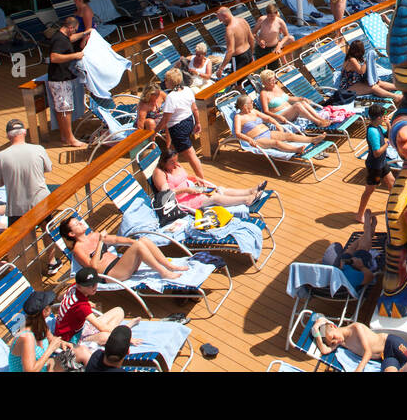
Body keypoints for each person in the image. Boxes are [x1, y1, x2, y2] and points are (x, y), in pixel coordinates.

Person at [58, 216, 188, 283]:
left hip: (121, 264)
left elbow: (115, 240)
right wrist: (101, 243)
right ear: (71, 234)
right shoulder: (78, 250)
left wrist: (132, 241)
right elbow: (92, 268)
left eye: (79, 221)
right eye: (76, 224)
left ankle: (169, 266)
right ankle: (163, 272)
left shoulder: (94, 235)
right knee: (138, 246)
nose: (81, 223)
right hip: (112, 275)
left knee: (142, 240)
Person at [152, 146, 267, 210]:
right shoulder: (160, 173)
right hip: (182, 201)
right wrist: (186, 190)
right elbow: (166, 194)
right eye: (172, 162)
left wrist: (196, 179)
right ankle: (246, 200)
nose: (175, 164)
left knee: (220, 189)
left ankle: (250, 191)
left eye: (176, 160)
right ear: (163, 162)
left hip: (193, 190)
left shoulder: (175, 165)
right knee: (215, 197)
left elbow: (184, 177)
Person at [0, 119, 52, 227]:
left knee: (23, 240)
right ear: (24, 132)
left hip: (17, 206)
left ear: (8, 136)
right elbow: (48, 169)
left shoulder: (1, 156)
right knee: (48, 231)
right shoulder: (39, 149)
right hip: (41, 200)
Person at [52, 267, 139, 345]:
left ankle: (123, 329)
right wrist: (128, 339)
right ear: (79, 287)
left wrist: (85, 303)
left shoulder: (73, 287)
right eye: (90, 285)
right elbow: (101, 328)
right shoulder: (81, 306)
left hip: (75, 329)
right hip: (71, 340)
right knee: (106, 336)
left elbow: (60, 297)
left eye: (95, 283)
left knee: (119, 311)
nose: (94, 287)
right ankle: (125, 330)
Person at [231, 93, 326, 155]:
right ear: (245, 106)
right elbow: (237, 133)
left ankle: (313, 139)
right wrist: (248, 139)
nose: (253, 103)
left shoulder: (253, 111)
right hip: (257, 139)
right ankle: (296, 150)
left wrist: (277, 124)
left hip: (268, 132)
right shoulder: (238, 117)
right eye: (251, 102)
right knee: (276, 143)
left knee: (289, 135)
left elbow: (267, 118)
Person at [8, 290, 78, 372]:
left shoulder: (41, 324)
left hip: (44, 367)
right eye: (50, 304)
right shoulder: (27, 337)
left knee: (79, 353)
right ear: (44, 311)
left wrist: (63, 343)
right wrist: (50, 349)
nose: (52, 306)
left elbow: (51, 338)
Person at [312, 316, 407, 372]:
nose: (335, 341)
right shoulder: (341, 342)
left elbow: (368, 352)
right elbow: (324, 350)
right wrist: (315, 329)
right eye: (332, 342)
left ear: (333, 326)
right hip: (385, 358)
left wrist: (359, 369)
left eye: (334, 337)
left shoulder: (355, 328)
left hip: (391, 344)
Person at [155, 67, 204, 180]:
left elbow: (165, 120)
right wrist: (197, 123)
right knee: (172, 150)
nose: (165, 82)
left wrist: (154, 132)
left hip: (178, 128)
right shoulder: (187, 90)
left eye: (166, 80)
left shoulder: (171, 97)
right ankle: (170, 173)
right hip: (188, 122)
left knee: (191, 156)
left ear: (170, 82)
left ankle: (202, 180)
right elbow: (194, 109)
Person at [48, 16, 89, 147]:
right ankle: (70, 139)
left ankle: (65, 136)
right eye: (74, 29)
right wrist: (75, 55)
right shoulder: (59, 39)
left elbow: (70, 39)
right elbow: (54, 57)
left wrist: (85, 33)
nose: (74, 32)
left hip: (61, 78)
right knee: (66, 110)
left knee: (62, 109)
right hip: (60, 80)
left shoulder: (62, 36)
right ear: (70, 27)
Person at [357, 104, 395, 223]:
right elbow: (377, 152)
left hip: (382, 163)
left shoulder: (377, 127)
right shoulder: (372, 131)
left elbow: (387, 135)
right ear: (378, 118)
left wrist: (388, 124)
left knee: (392, 183)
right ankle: (359, 215)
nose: (384, 118)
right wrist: (387, 144)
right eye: (383, 116)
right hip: (375, 166)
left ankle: (396, 207)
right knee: (369, 190)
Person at [258, 71, 331, 126]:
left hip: (289, 111)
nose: (274, 82)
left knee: (302, 103)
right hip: (279, 116)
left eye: (274, 80)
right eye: (271, 81)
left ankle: (320, 119)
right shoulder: (263, 93)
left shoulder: (276, 87)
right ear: (265, 82)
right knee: (297, 106)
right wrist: (277, 116)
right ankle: (317, 122)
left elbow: (288, 98)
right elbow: (266, 111)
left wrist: (301, 99)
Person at [217, 6, 255, 73]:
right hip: (248, 52)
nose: (221, 21)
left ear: (225, 16)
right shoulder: (242, 21)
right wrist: (251, 54)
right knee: (249, 76)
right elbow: (251, 39)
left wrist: (221, 68)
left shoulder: (229, 29)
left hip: (239, 59)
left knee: (237, 82)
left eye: (221, 19)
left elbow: (230, 50)